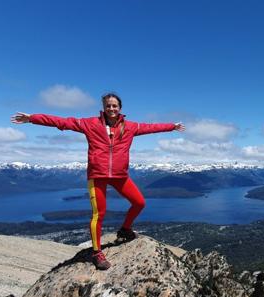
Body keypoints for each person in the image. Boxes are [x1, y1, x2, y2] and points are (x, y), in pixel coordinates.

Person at [11, 93, 185, 270]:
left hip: (119, 176)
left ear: (120, 108)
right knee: (99, 214)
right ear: (103, 107)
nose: (111, 109)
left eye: (114, 106)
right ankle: (97, 252)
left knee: (139, 203)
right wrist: (32, 118)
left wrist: (172, 126)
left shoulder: (130, 127)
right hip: (97, 176)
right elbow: (61, 122)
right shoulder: (90, 124)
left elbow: (152, 127)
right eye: (108, 105)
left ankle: (125, 229)